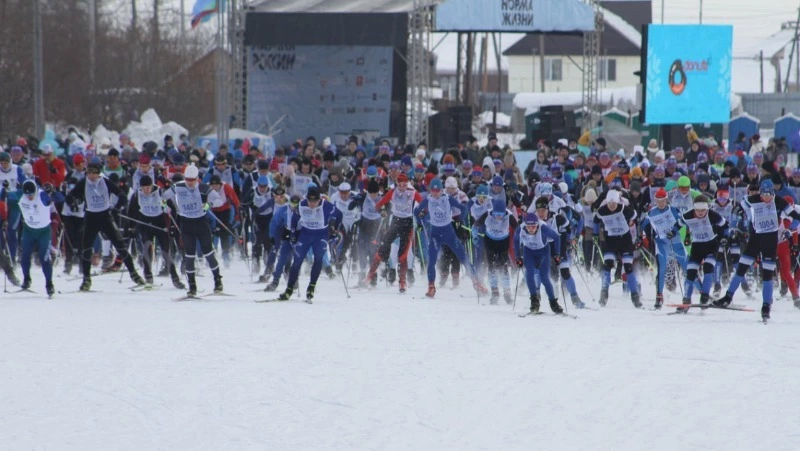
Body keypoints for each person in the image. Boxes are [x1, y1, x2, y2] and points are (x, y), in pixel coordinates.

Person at [714, 179, 800, 320]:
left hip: (770, 242)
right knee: (741, 268)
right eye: (763, 194)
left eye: (769, 194)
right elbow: (737, 209)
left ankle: (766, 305)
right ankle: (728, 297)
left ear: (773, 193)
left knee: (767, 274)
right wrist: (735, 226)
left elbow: (796, 217)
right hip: (755, 240)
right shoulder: (752, 199)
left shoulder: (779, 201)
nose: (766, 197)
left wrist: (791, 228)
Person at [66, 162, 146, 291]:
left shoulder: (105, 182)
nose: (91, 176)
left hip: (105, 217)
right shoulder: (83, 183)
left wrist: (117, 208)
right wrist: (73, 203)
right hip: (91, 218)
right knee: (86, 249)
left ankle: (134, 274)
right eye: (89, 173)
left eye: (94, 173)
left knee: (120, 246)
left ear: (99, 173)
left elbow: (121, 195)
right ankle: (86, 279)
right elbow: (70, 196)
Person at [414, 178, 488, 298]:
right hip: (435, 235)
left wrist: (459, 219)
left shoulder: (447, 198)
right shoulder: (428, 200)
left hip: (449, 233)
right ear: (430, 190)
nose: (436, 193)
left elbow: (463, 208)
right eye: (433, 190)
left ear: (441, 190)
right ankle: (431, 287)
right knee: (432, 260)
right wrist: (420, 222)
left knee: (463, 256)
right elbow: (417, 211)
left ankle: (476, 282)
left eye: (438, 190)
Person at [161, 164, 225, 296]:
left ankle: (218, 281)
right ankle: (192, 287)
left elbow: (220, 200)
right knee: (189, 256)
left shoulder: (203, 188)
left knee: (208, 254)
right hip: (186, 224)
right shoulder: (178, 186)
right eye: (187, 179)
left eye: (192, 180)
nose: (190, 183)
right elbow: (162, 197)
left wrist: (209, 204)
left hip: (201, 224)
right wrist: (164, 206)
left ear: (197, 179)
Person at [276, 186, 342, 301]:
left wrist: (334, 229)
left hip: (320, 235)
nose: (312, 204)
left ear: (319, 199)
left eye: (315, 201)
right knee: (297, 261)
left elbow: (339, 215)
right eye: (310, 201)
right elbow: (294, 220)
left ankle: (311, 287)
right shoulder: (301, 205)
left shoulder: (326, 205)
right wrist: (293, 234)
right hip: (305, 234)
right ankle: (289, 289)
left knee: (318, 259)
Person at [364, 173, 422, 292]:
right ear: (397, 184)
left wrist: (423, 211)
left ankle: (402, 281)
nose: (402, 187)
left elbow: (424, 202)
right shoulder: (393, 192)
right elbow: (380, 203)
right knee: (383, 249)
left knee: (402, 255)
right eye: (400, 185)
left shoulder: (412, 192)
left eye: (404, 185)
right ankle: (370, 275)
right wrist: (383, 210)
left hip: (407, 224)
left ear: (407, 184)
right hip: (395, 222)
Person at [125, 175, 185, 288]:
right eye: (144, 188)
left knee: (166, 251)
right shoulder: (137, 194)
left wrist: (172, 226)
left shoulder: (160, 192)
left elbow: (172, 210)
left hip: (160, 224)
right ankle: (148, 276)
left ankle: (175, 279)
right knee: (147, 247)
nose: (146, 190)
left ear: (152, 186)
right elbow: (131, 211)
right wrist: (131, 228)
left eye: (148, 187)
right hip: (145, 223)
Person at [676, 195, 728, 312]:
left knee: (708, 269)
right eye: (697, 210)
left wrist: (725, 237)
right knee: (690, 273)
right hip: (697, 247)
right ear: (694, 209)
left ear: (707, 209)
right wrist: (672, 232)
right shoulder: (688, 215)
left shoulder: (713, 215)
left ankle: (704, 297)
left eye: (703, 210)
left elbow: (726, 226)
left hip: (711, 246)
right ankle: (686, 300)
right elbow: (677, 225)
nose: (700, 213)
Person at [640, 188, 688, 309]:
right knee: (661, 270)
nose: (660, 204)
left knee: (687, 267)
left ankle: (701, 293)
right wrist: (640, 236)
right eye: (658, 201)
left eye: (663, 201)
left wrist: (675, 231)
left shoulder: (673, 210)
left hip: (676, 242)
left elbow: (682, 222)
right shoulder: (652, 212)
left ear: (666, 199)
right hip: (661, 243)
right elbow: (642, 224)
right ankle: (659, 297)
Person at [593, 190, 642, 308]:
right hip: (610, 240)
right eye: (609, 203)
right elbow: (595, 220)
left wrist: (636, 232)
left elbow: (636, 217)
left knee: (628, 267)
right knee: (608, 264)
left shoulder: (624, 209)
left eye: (614, 203)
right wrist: (595, 234)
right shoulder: (602, 210)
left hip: (625, 240)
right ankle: (604, 293)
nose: (611, 206)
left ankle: (635, 297)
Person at [534, 196, 585, 308]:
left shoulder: (558, 218)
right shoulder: (534, 219)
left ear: (548, 209)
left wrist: (568, 240)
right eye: (538, 211)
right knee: (538, 272)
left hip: (558, 248)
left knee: (565, 272)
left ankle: (575, 298)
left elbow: (568, 229)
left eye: (543, 210)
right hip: (543, 248)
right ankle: (536, 299)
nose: (540, 213)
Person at [514, 211, 563, 314]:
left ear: (537, 225)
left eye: (533, 227)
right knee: (529, 274)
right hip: (529, 252)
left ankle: (553, 303)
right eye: (528, 227)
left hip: (543, 252)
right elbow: (515, 240)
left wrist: (557, 254)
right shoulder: (520, 229)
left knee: (544, 277)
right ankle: (534, 301)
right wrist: (518, 257)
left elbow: (556, 237)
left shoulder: (544, 228)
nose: (531, 229)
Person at [17, 180, 59, 297]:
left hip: (43, 231)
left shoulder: (41, 194)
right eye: (27, 195)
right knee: (24, 256)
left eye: (32, 194)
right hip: (28, 230)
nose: (30, 197)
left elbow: (57, 199)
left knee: (44, 258)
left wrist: (52, 192)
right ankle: (26, 279)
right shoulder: (21, 195)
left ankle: (49, 284)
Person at [476, 198, 518, 304]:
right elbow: (476, 224)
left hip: (503, 241)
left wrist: (520, 237)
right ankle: (494, 291)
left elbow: (517, 228)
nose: (498, 217)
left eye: (501, 214)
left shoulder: (509, 215)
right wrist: (474, 233)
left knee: (503, 266)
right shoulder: (488, 213)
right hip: (490, 241)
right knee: (492, 266)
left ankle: (507, 291)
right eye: (496, 214)